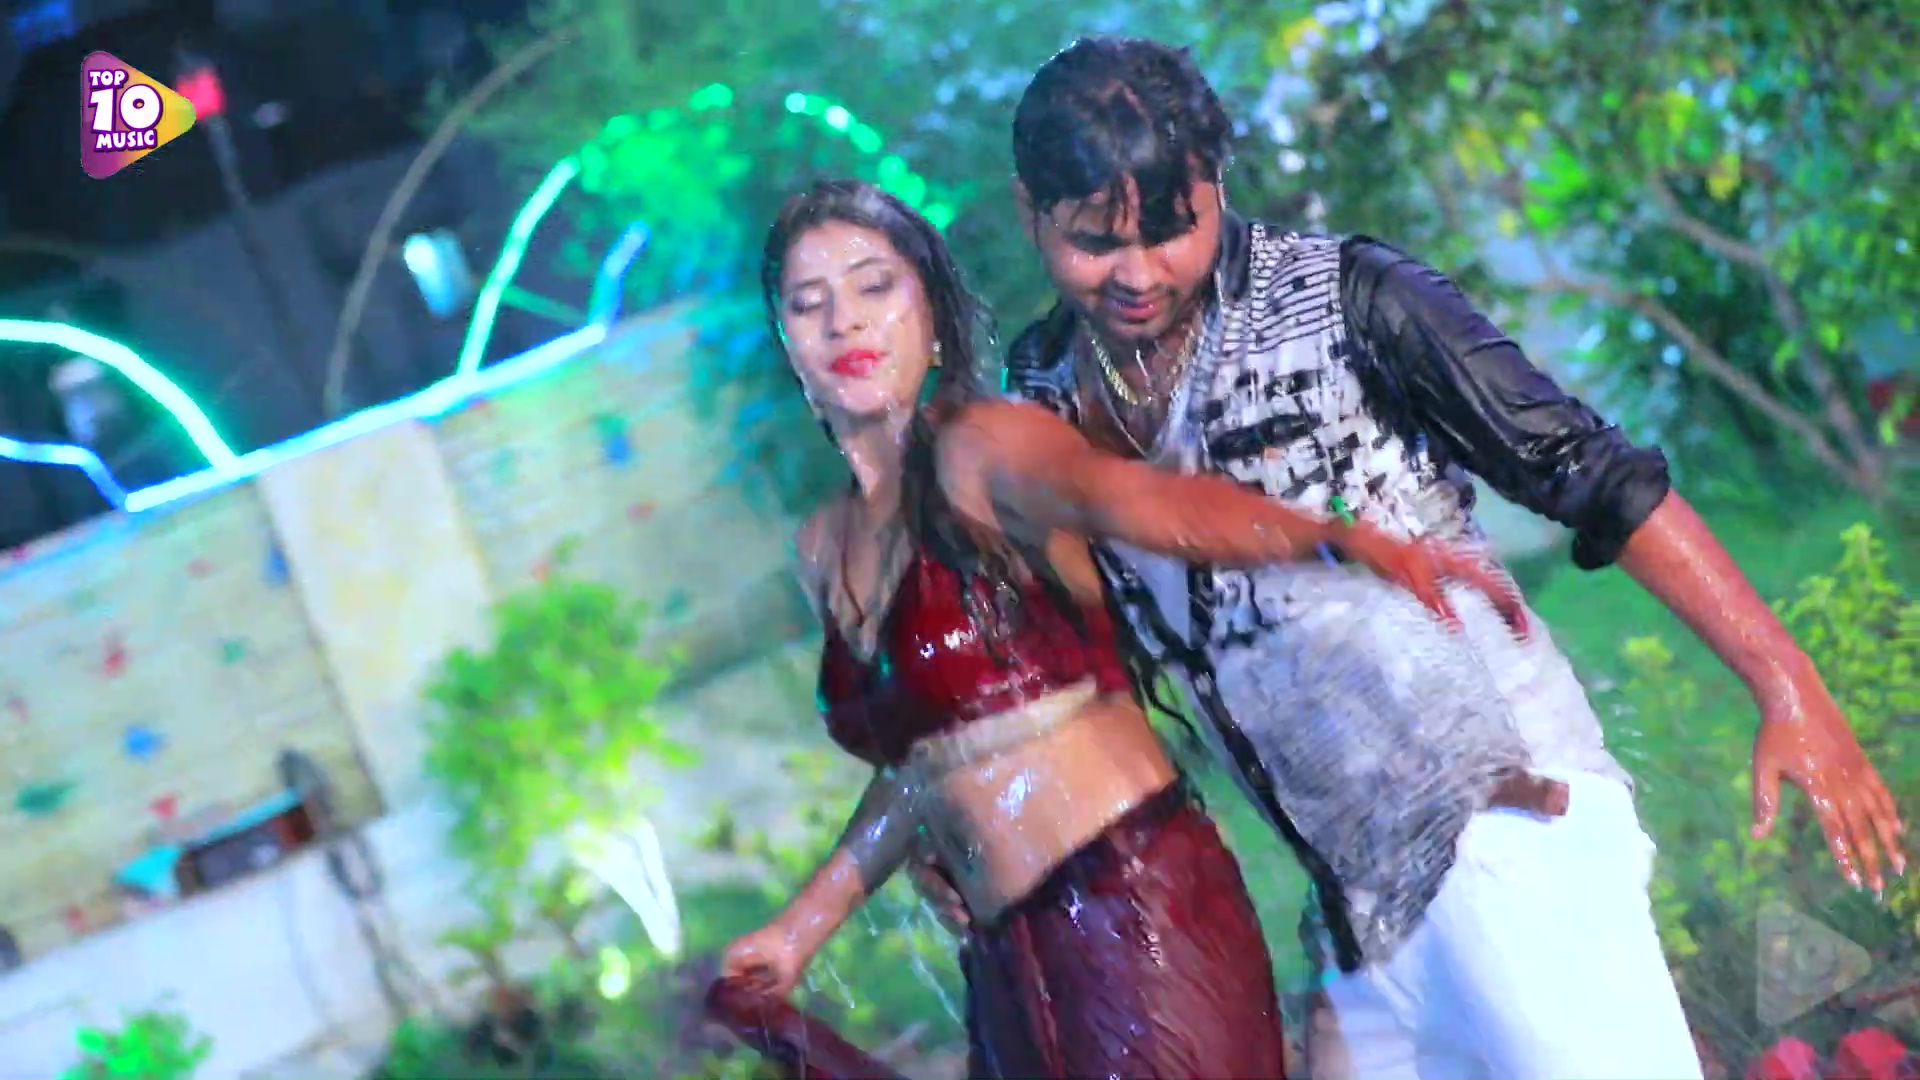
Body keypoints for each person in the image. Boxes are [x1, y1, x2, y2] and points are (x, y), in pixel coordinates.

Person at [996, 35, 1907, 1080]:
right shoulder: (1041, 393)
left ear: (1217, 181)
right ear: (1031, 213)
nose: (1139, 273)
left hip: (1507, 831)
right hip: (1357, 911)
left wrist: (1785, 683)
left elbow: (1593, 475)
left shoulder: (1350, 298)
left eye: (1172, 230)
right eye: (1095, 242)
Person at [714, 179, 1533, 1079]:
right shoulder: (823, 545)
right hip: (1004, 961)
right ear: (786, 341)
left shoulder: (984, 448)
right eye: (810, 303)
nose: (845, 322)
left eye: (875, 287)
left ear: (933, 315)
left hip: (1131, 913)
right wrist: (799, 930)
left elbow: (1141, 502)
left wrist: (1333, 536)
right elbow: (924, 768)